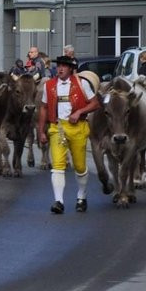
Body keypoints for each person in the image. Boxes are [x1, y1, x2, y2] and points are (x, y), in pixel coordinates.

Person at [37, 55, 100, 214]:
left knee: (79, 166)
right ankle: (58, 201)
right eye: (59, 66)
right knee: (57, 166)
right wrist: (41, 131)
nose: (60, 69)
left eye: (64, 66)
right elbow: (44, 108)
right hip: (57, 127)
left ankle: (81, 196)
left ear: (71, 69)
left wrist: (79, 111)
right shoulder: (49, 85)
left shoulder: (82, 83)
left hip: (77, 127)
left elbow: (95, 103)